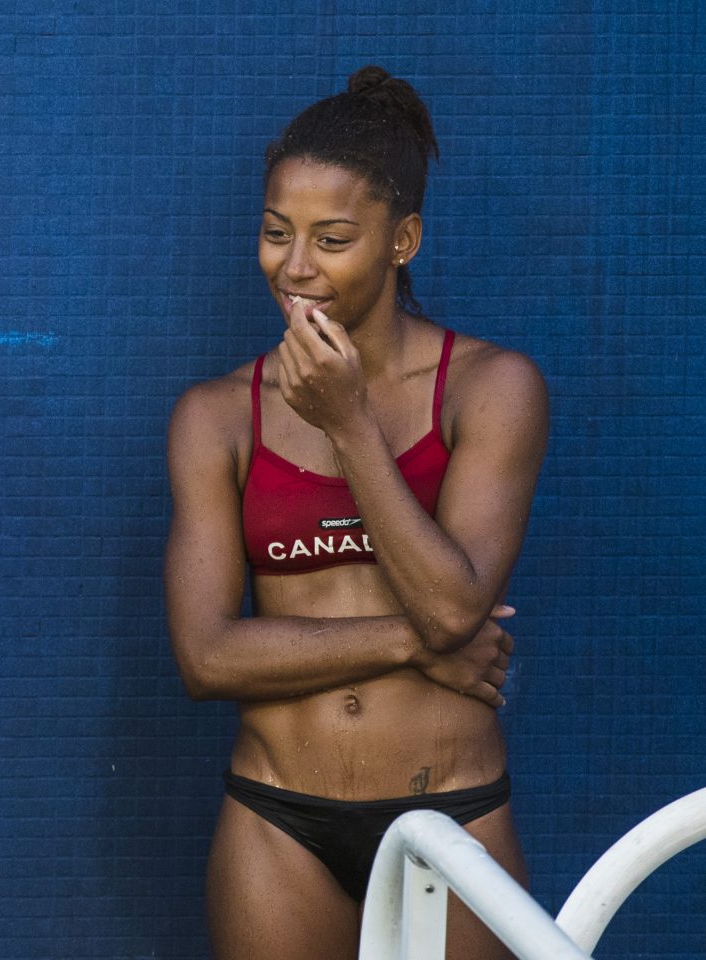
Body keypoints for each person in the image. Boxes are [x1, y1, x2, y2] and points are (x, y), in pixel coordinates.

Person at [164, 67, 547, 960]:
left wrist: (348, 422)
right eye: (276, 233)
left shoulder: (493, 389)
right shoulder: (217, 416)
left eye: (332, 239)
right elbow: (207, 656)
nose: (295, 266)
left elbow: (455, 605)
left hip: (450, 816)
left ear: (402, 239)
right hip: (277, 822)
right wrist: (414, 645)